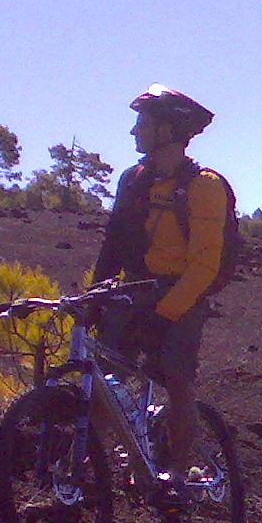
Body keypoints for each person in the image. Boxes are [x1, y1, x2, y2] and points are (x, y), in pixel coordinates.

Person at [92, 85, 235, 476]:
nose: (134, 132)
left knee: (175, 379)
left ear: (169, 130)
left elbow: (205, 267)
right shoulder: (133, 180)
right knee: (105, 377)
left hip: (181, 294)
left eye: (143, 123)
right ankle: (90, 473)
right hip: (136, 288)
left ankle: (177, 477)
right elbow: (114, 244)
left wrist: (166, 314)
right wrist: (95, 297)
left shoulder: (205, 187)